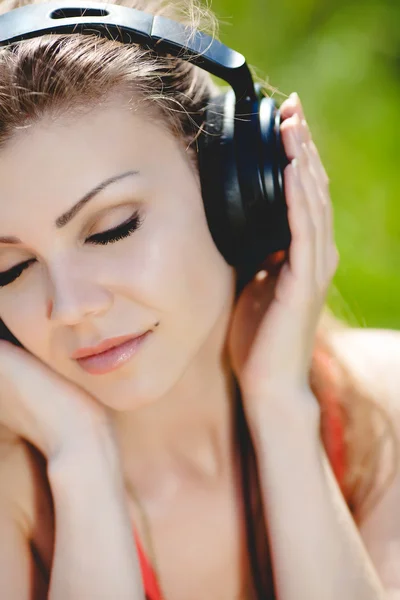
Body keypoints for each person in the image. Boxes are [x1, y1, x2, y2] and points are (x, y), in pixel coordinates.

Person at [0, 0, 398, 598]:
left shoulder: (385, 408)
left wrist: (283, 410)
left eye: (112, 229)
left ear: (237, 189)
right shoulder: (14, 501)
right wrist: (78, 463)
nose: (72, 305)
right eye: (11, 269)